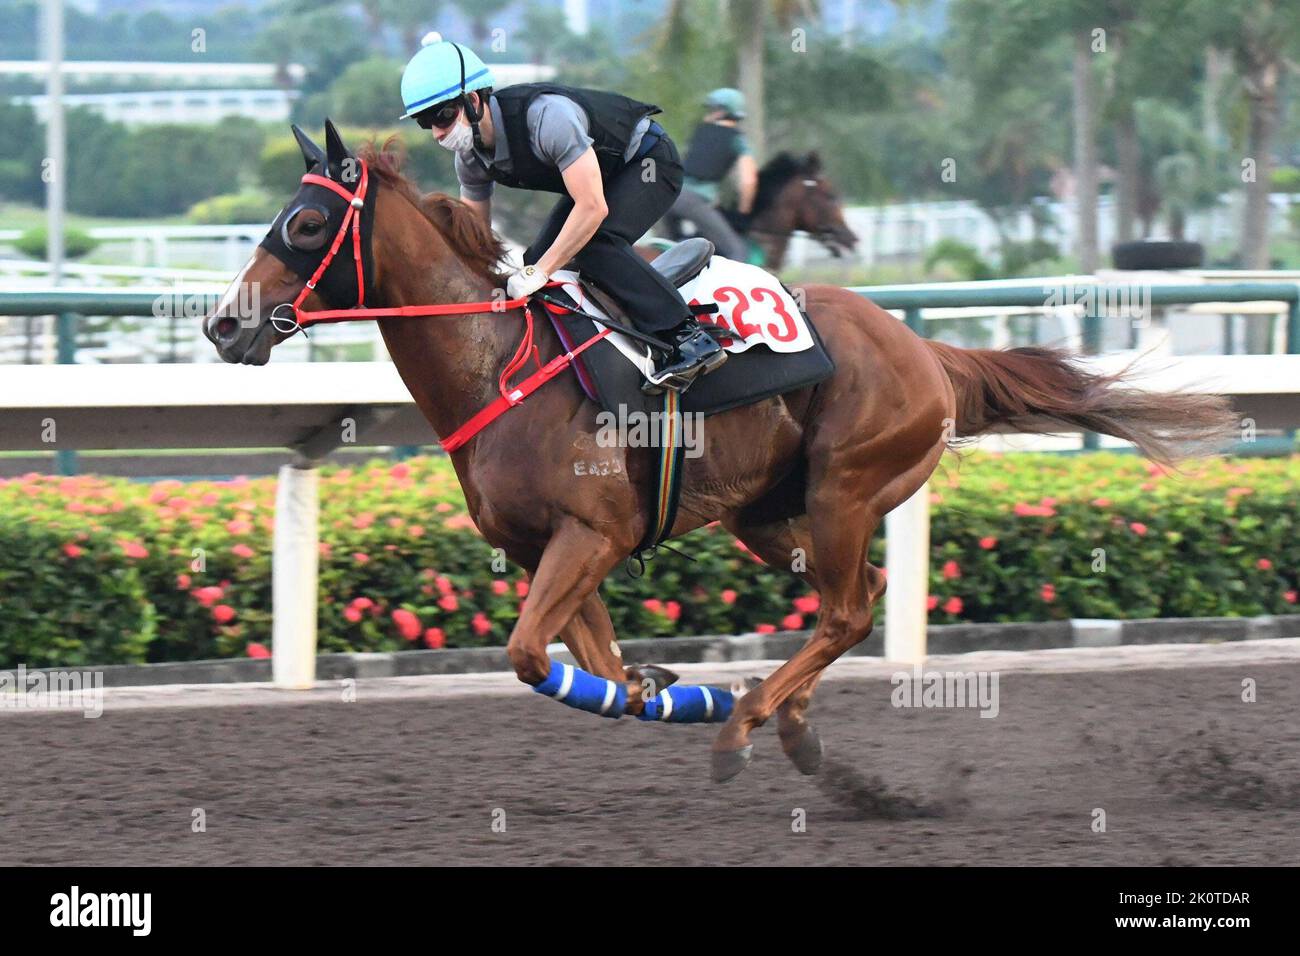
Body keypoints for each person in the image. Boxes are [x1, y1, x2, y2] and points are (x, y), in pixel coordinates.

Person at [400, 33, 726, 392]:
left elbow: (592, 208)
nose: (437, 133)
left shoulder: (547, 118)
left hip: (649, 162)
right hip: (601, 177)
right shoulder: (470, 158)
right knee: (537, 257)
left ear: (474, 100)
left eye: (443, 116)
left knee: (593, 242)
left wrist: (540, 271)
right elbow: (475, 238)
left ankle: (688, 338)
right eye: (424, 122)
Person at [661, 88, 758, 262]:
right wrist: (744, 209)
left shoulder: (700, 131)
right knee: (737, 251)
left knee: (667, 249)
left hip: (668, 195)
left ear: (722, 111)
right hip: (694, 201)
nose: (710, 113)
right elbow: (748, 180)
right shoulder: (737, 139)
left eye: (713, 109)